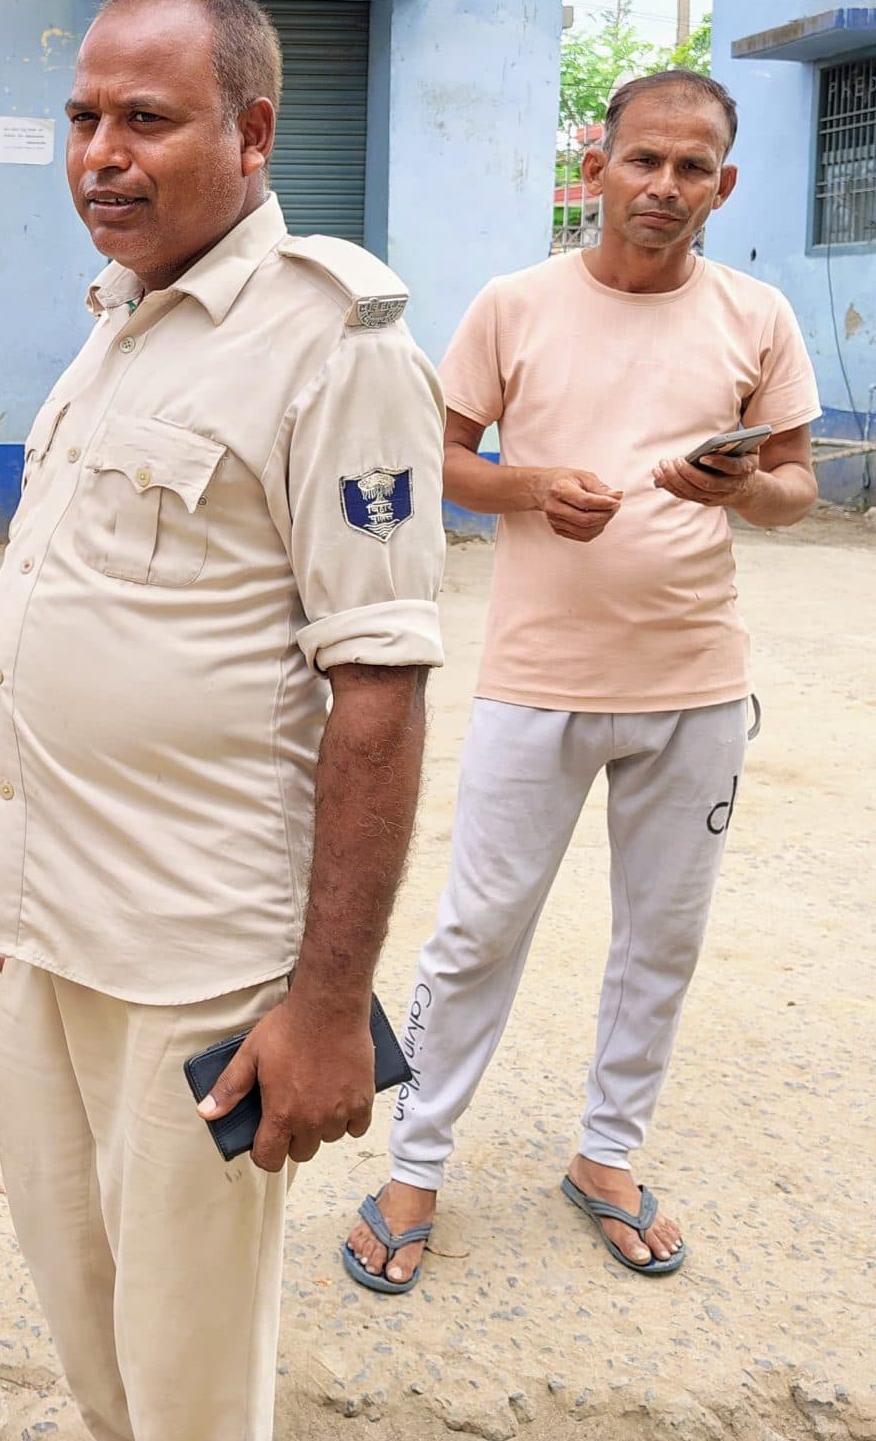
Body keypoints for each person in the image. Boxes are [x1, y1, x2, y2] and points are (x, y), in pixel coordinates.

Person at [0, 0, 447, 1441]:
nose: (103, 153)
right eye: (86, 115)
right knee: (86, 1320)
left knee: (191, 1370)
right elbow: (60, 611)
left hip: (198, 964)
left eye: (147, 119)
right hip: (48, 929)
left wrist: (328, 1006)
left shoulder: (333, 347)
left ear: (252, 131)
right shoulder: (121, 320)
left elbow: (379, 695)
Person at [340, 68, 820, 1294]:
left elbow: (797, 489)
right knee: (478, 928)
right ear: (594, 167)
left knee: (660, 934)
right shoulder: (514, 306)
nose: (664, 188)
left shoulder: (755, 317)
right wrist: (530, 484)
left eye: (693, 168)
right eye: (643, 161)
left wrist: (740, 489)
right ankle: (415, 1162)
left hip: (695, 685)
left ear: (724, 185)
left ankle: (606, 1156)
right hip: (537, 681)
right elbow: (439, 459)